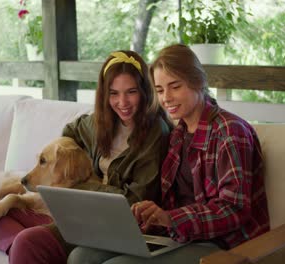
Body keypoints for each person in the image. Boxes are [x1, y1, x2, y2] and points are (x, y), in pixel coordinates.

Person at [0, 50, 172, 264]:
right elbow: (69, 134)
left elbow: (134, 202)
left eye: (131, 92)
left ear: (145, 91)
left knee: (28, 241)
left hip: (104, 222)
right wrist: (70, 171)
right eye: (113, 93)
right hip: (72, 210)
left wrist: (81, 184)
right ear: (104, 94)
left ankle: (32, 249)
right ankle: (28, 250)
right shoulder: (97, 123)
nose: (123, 102)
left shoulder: (155, 132)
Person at [97, 44, 270, 264]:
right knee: (82, 256)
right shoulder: (178, 134)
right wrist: (153, 214)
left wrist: (171, 219)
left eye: (175, 87)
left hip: (225, 245)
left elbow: (233, 210)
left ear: (197, 81)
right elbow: (174, 200)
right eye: (159, 90)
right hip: (182, 236)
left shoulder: (230, 131)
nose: (166, 98)